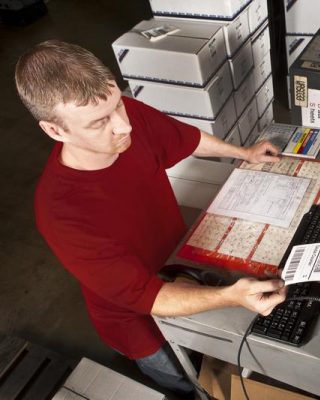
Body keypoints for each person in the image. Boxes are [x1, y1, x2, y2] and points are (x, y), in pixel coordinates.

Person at [15, 40, 287, 397]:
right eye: (99, 123)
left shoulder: (126, 118)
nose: (123, 126)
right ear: (55, 130)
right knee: (190, 382)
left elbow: (185, 139)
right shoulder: (61, 214)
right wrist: (231, 296)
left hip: (180, 264)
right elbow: (151, 297)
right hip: (139, 322)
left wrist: (243, 152)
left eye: (117, 107)